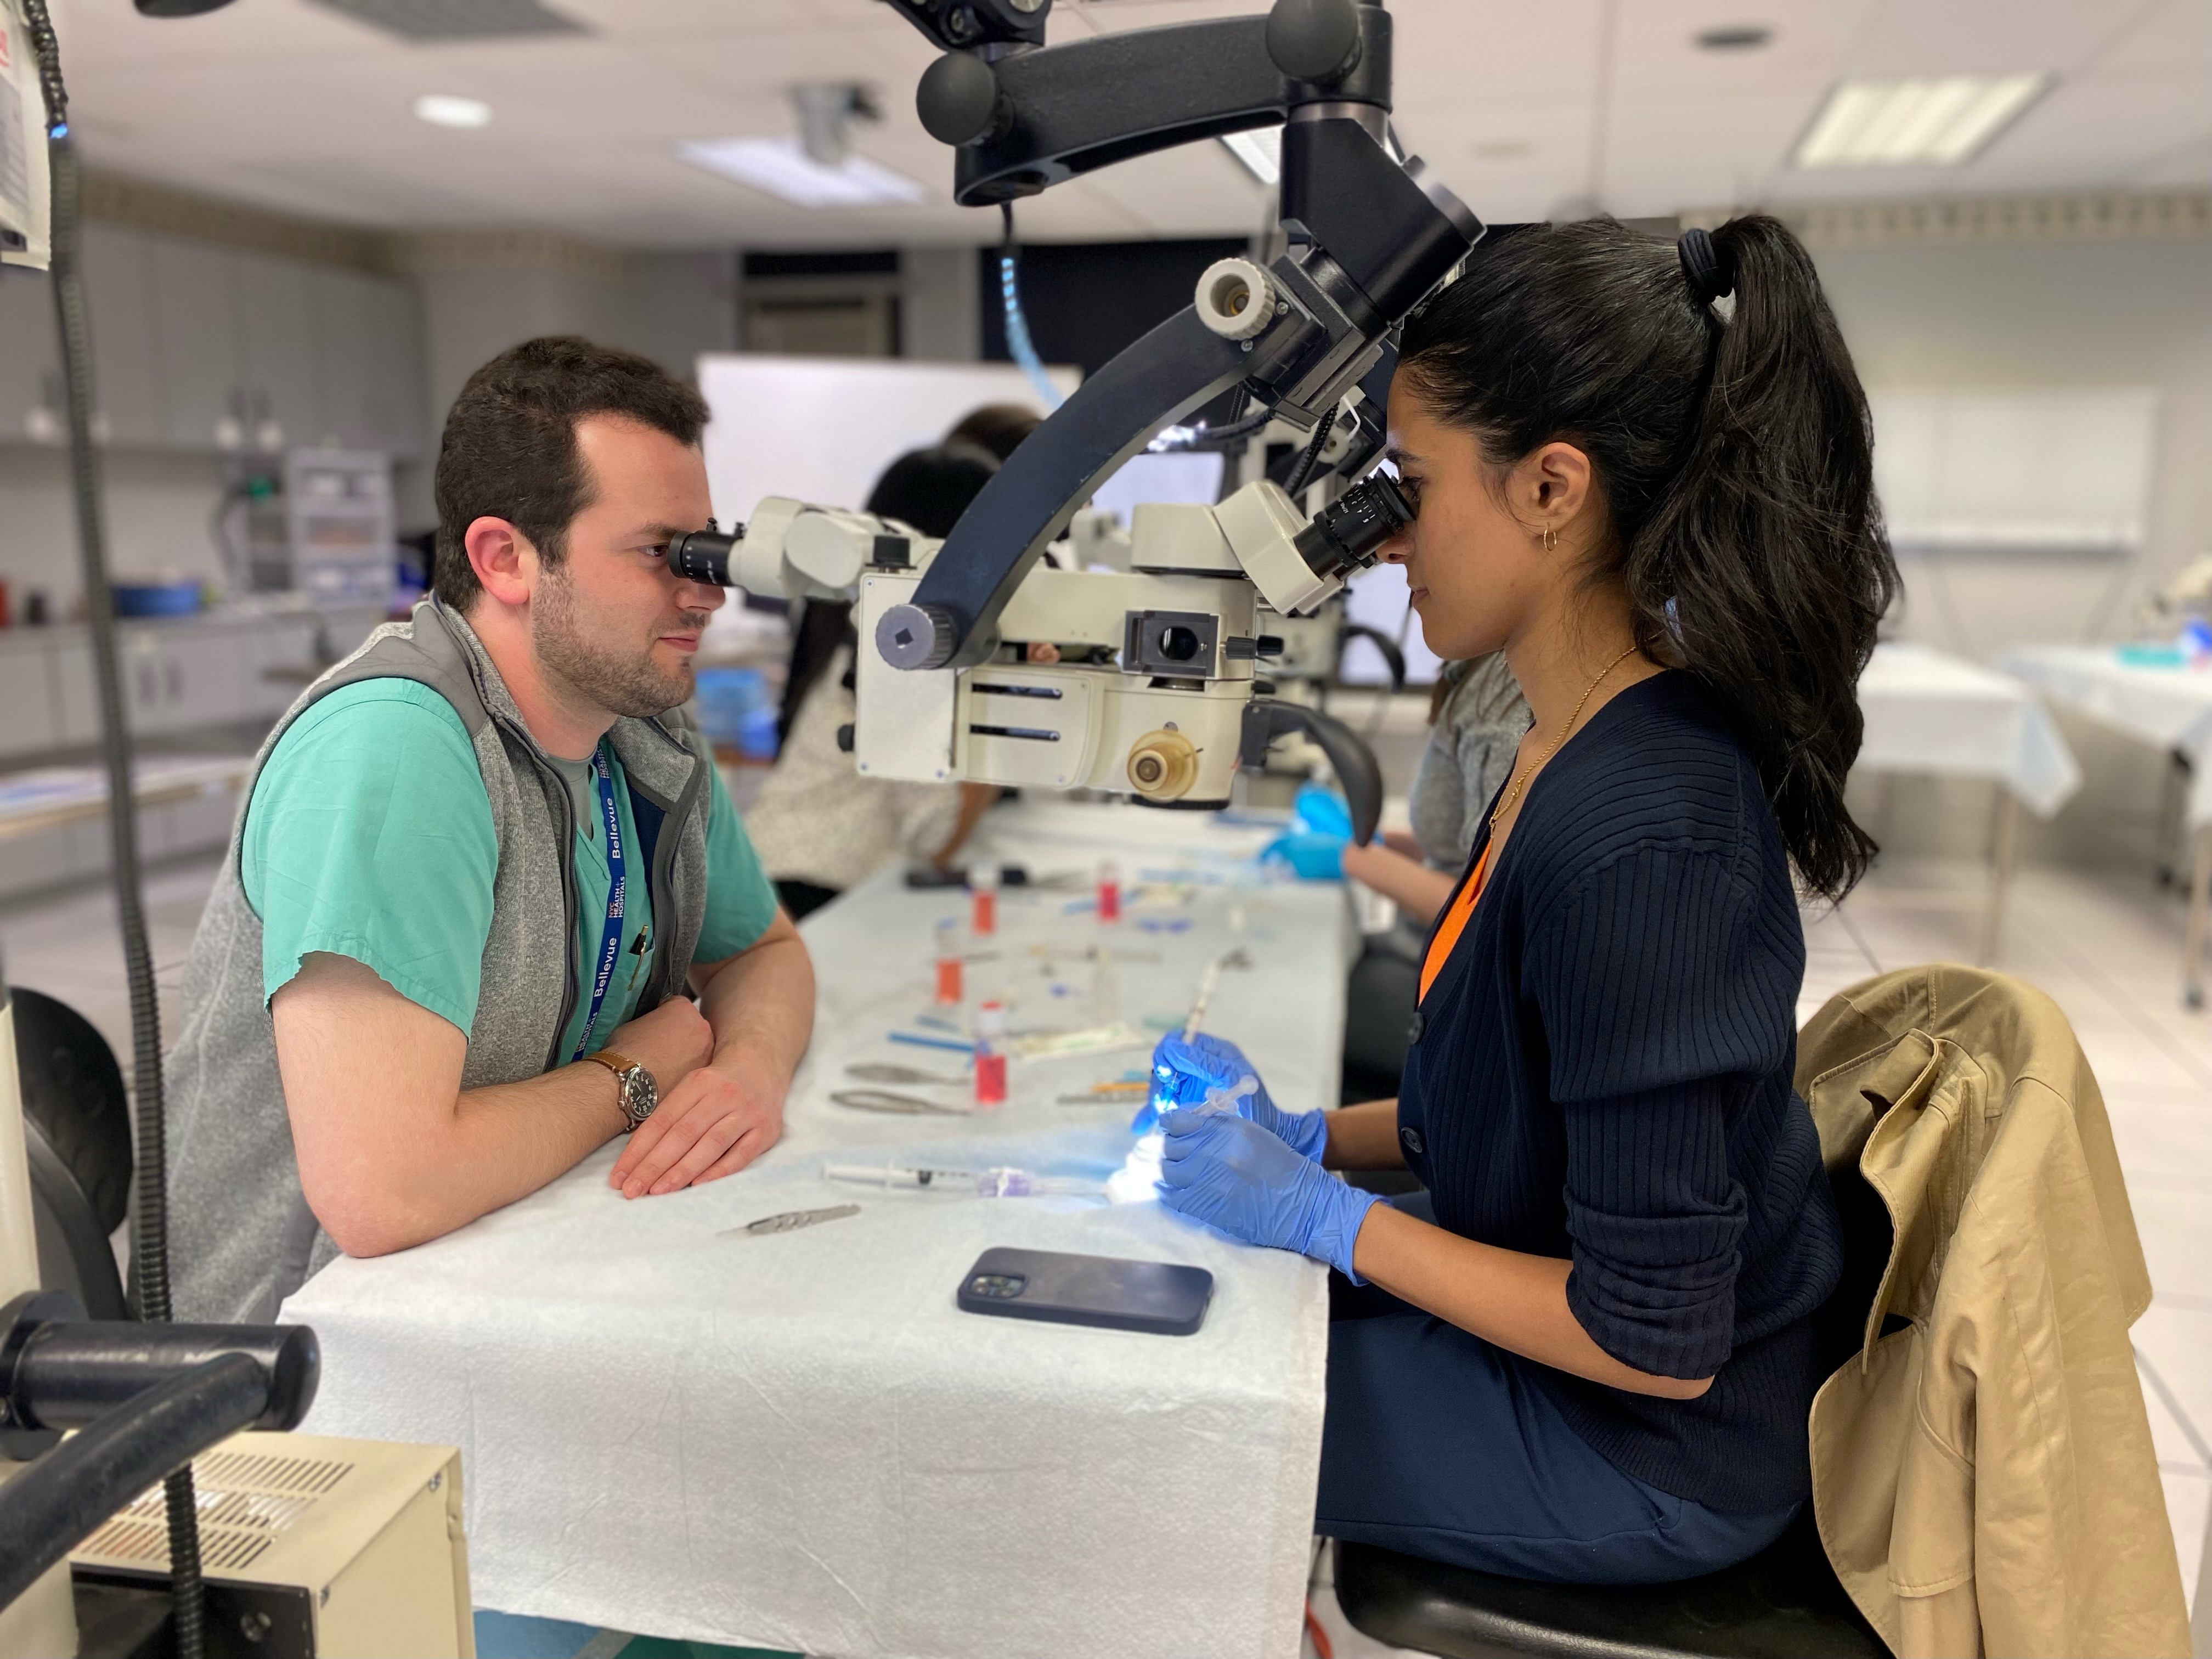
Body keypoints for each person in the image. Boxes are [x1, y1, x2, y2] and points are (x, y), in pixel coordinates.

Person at [1149, 216, 1897, 1583]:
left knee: (1145, 1423)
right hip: (1564, 1328)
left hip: (1654, 1449)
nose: (1381, 542)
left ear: (1551, 487)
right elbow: (1517, 1099)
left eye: (1411, 486)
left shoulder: (1644, 834)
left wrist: (1330, 1220)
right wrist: (1312, 1136)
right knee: (1206, 1311)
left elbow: (1655, 1338)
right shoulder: (1566, 738)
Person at [167, 337, 816, 1323]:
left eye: (707, 549)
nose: (708, 593)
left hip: (514, 1271)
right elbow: (385, 1190)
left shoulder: (639, 726)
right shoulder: (399, 747)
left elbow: (765, 952)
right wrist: (637, 1073)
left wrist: (746, 1074)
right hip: (302, 1364)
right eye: (661, 554)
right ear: (505, 557)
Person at [748, 405, 1041, 920]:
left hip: (779, 879)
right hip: (810, 896)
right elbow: (936, 837)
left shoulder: (857, 627)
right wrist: (1007, 722)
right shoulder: (901, 658)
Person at [1335, 653, 1528, 1101]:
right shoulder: (1477, 678)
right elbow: (1468, 846)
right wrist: (1394, 846)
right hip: (1418, 959)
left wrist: (1360, 859)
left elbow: (1490, 910)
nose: (1410, 580)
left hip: (1454, 989)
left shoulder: (1508, 700)